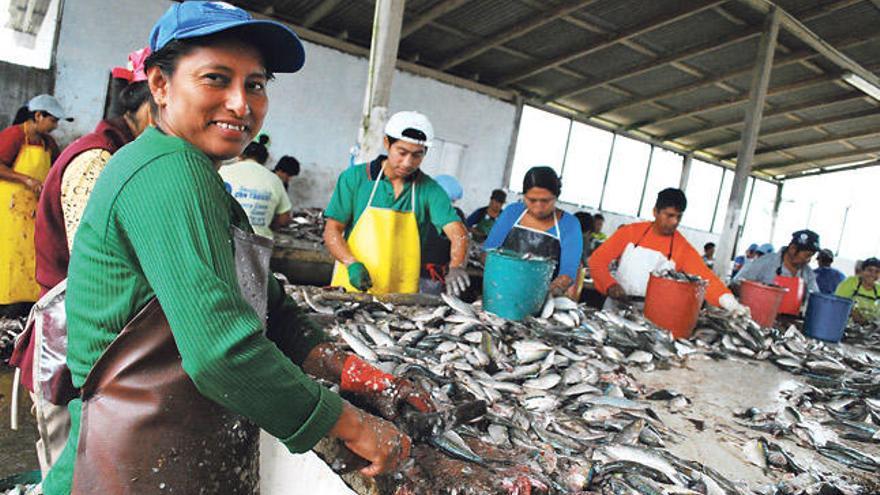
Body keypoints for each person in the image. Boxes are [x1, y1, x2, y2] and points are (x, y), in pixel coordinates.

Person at [44, 3, 428, 493]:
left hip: (170, 447)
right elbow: (220, 355)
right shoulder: (166, 174)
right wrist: (351, 424)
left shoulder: (205, 180)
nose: (241, 103)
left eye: (256, 84)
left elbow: (272, 310)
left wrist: (355, 372)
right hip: (130, 463)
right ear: (160, 85)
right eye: (215, 79)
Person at [8, 48, 153, 477]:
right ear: (144, 103)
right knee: (71, 472)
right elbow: (100, 271)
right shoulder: (95, 161)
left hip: (100, 352)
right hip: (71, 352)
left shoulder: (123, 156)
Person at [324, 111, 470, 296]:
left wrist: (456, 265)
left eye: (417, 155)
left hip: (401, 296)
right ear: (387, 143)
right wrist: (350, 263)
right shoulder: (354, 178)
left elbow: (458, 232)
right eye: (402, 153)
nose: (408, 162)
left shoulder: (429, 190)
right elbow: (332, 230)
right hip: (353, 287)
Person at [589, 188, 748, 316]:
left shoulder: (681, 248)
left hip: (651, 316)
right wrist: (610, 285)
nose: (674, 222)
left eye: (679, 217)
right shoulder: (630, 233)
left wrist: (731, 303)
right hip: (614, 310)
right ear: (655, 212)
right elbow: (597, 260)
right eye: (669, 215)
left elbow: (706, 280)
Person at [0, 94, 67, 308]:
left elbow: (57, 169)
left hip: (32, 210)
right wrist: (26, 179)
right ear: (38, 116)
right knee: (7, 253)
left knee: (29, 254)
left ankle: (23, 302)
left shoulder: (48, 143)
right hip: (8, 207)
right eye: (53, 120)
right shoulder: (13, 135)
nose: (55, 126)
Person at [483, 166, 582, 297]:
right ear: (524, 196)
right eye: (531, 200)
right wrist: (507, 280)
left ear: (556, 197)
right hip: (501, 290)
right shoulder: (512, 213)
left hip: (543, 296)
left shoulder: (570, 224)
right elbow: (488, 252)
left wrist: (548, 292)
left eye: (546, 200)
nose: (538, 207)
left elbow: (568, 272)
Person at [220, 135, 292, 238]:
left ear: (240, 155)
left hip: (223, 238)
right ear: (265, 160)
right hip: (258, 242)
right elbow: (284, 218)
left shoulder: (222, 171)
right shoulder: (274, 179)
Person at [733, 230, 821, 310]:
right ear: (793, 249)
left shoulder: (808, 273)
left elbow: (815, 300)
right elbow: (736, 284)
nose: (808, 260)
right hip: (758, 314)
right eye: (807, 255)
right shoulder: (765, 262)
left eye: (811, 256)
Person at [420, 174, 467, 295]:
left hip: (435, 277)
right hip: (415, 274)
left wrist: (457, 267)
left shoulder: (456, 216)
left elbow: (465, 242)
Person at [835, 257, 880, 324]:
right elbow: (838, 302)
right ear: (862, 271)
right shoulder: (851, 282)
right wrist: (852, 312)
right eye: (869, 270)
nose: (873, 274)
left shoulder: (878, 289)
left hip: (869, 329)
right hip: (844, 325)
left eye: (877, 271)